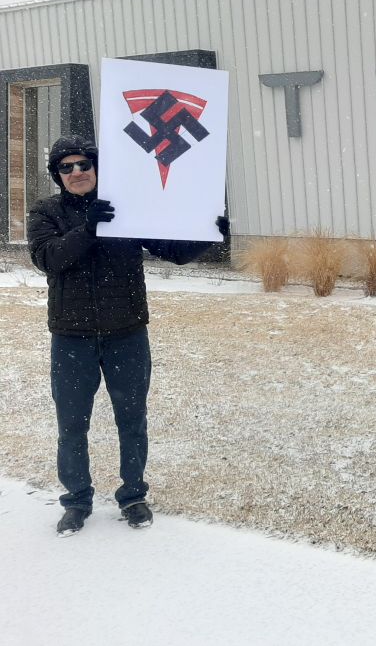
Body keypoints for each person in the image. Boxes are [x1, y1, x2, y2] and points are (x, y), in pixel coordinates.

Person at [26, 134, 228, 536]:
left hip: (127, 333)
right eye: (66, 167)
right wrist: (89, 227)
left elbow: (171, 249)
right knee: (72, 423)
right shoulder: (45, 211)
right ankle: (77, 500)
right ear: (57, 175)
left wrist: (209, 231)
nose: (77, 172)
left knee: (132, 419)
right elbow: (49, 259)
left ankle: (133, 495)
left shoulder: (127, 206)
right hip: (72, 337)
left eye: (84, 164)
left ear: (97, 167)